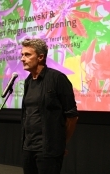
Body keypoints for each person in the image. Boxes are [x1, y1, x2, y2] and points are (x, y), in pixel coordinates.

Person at [20, 38, 79, 174]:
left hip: (48, 150)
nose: (23, 59)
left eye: (27, 55)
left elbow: (72, 117)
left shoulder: (57, 78)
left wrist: (61, 143)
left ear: (40, 57)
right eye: (22, 55)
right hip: (28, 148)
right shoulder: (28, 81)